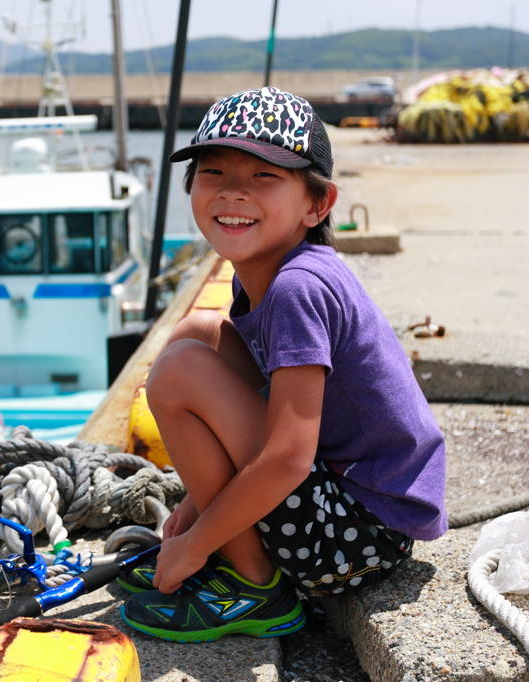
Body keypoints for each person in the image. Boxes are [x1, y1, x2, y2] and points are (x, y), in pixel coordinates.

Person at [118, 87, 447, 643]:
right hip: (342, 509)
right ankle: (235, 555)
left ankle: (255, 588)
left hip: (358, 537)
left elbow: (289, 458)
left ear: (317, 204)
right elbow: (272, 426)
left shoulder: (298, 289)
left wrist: (193, 547)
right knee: (201, 332)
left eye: (264, 176)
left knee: (177, 375)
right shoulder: (274, 281)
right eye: (214, 171)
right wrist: (198, 507)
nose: (233, 192)